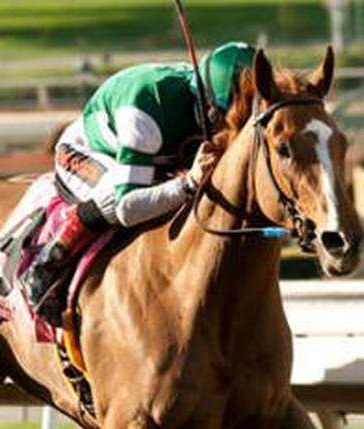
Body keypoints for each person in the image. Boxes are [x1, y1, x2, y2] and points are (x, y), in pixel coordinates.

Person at [21, 42, 257, 322]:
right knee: (111, 196)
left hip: (155, 156)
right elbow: (126, 208)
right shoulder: (149, 107)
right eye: (228, 121)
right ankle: (45, 265)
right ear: (208, 106)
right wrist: (188, 184)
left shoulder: (211, 99)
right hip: (89, 154)